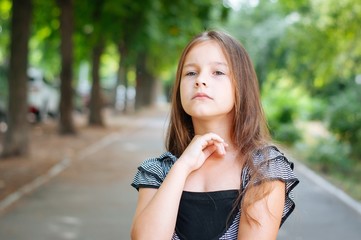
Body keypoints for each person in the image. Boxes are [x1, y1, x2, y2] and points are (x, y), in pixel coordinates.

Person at [130, 30, 299, 240]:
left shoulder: (263, 168)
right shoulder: (157, 170)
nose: (200, 80)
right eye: (190, 73)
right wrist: (182, 167)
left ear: (241, 85)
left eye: (217, 72)